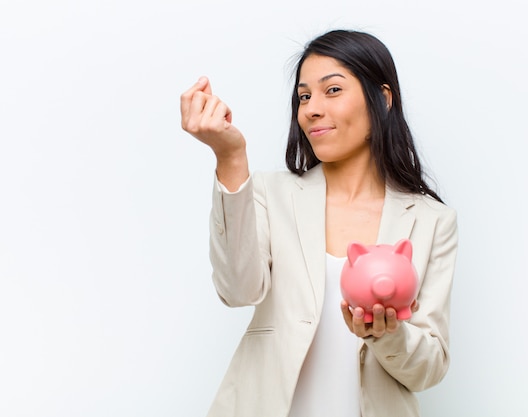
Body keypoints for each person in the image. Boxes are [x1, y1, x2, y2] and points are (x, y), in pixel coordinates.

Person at [180, 29, 458, 417]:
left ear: (382, 98)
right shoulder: (267, 192)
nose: (311, 109)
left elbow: (428, 369)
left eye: (332, 91)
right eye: (304, 96)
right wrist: (230, 159)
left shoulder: (432, 221)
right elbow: (237, 290)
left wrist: (385, 334)